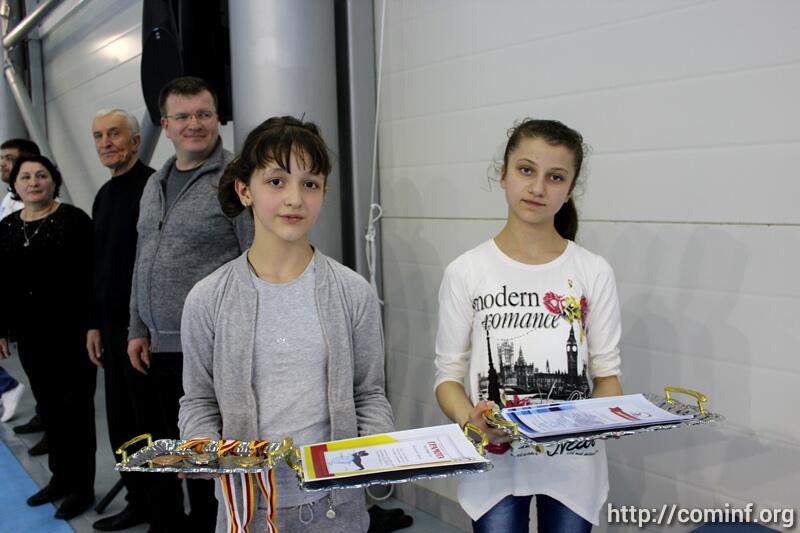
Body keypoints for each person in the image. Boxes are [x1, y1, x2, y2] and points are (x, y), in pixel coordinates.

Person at [179, 116, 394, 533]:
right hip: (247, 509)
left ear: (323, 193)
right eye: (276, 181)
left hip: (335, 507)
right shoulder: (207, 298)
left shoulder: (353, 292)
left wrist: (374, 453)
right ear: (245, 191)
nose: (295, 198)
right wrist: (204, 449)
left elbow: (369, 394)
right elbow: (198, 401)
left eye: (310, 183)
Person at [434, 119, 623, 532]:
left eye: (555, 177)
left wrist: (604, 417)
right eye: (526, 170)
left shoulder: (593, 271)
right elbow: (447, 378)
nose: (538, 187)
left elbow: (608, 378)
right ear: (503, 175)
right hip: (495, 466)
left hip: (573, 467)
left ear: (569, 190)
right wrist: (471, 421)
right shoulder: (466, 271)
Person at [127, 76, 252, 531]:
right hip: (157, 348)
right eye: (182, 116)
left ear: (217, 118)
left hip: (210, 349)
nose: (194, 124)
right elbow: (143, 257)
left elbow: (253, 258)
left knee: (204, 463)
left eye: (203, 113)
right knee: (165, 453)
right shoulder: (154, 182)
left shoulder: (236, 180)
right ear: (165, 125)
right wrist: (137, 327)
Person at [0, 154, 96, 520]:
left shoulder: (74, 220)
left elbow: (93, 276)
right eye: (26, 177)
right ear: (15, 185)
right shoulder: (8, 227)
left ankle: (82, 487)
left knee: (76, 413)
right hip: (31, 336)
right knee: (50, 409)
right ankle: (60, 478)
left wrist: (94, 325)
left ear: (54, 181)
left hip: (72, 335)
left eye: (41, 175)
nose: (34, 182)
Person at [86, 108, 157, 531]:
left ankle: (162, 508)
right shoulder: (104, 195)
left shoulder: (151, 188)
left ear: (135, 140)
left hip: (143, 333)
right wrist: (93, 323)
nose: (106, 143)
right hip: (110, 331)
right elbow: (99, 266)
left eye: (114, 134)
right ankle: (138, 500)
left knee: (150, 423)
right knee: (121, 423)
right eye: (98, 136)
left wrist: (140, 327)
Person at [0, 139, 41, 433]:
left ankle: (8, 386)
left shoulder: (31, 204)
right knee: (33, 365)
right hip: (14, 295)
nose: (3, 164)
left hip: (33, 299)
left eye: (9, 158)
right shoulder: (9, 198)